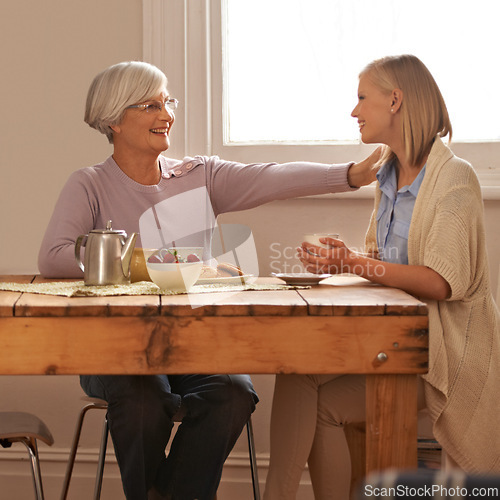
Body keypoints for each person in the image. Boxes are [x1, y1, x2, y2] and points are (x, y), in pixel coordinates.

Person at [38, 61, 379, 500]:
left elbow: (271, 177)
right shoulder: (89, 184)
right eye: (150, 105)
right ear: (114, 120)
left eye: (167, 102)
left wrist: (351, 175)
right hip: (112, 348)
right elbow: (53, 257)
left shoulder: (199, 175)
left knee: (233, 391)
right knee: (145, 400)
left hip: (193, 345)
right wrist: (159, 264)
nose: (166, 114)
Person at [264, 54, 500, 500]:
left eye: (361, 98)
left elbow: (439, 282)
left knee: (323, 409)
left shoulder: (454, 178)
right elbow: (387, 265)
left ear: (395, 101)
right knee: (295, 370)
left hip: (441, 356)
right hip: (395, 338)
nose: (354, 111)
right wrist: (339, 261)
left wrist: (352, 262)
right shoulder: (387, 173)